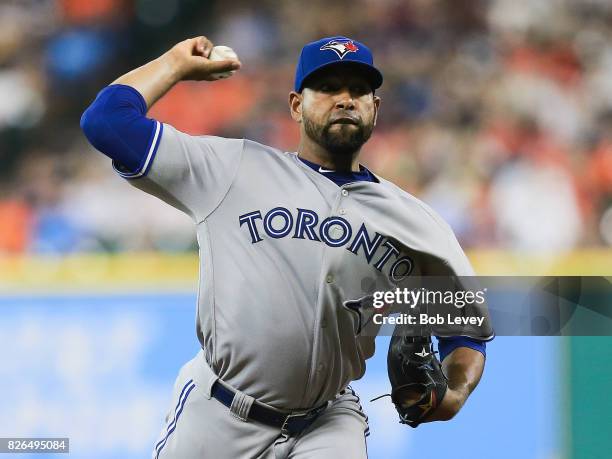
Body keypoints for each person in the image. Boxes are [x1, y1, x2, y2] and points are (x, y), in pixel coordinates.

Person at [81, 35, 489, 459]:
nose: (345, 99)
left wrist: (453, 393)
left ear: (375, 108)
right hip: (219, 412)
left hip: (327, 422)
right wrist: (174, 64)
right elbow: (106, 122)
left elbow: (465, 333)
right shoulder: (231, 170)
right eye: (328, 87)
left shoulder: (418, 224)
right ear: (296, 105)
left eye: (358, 90)